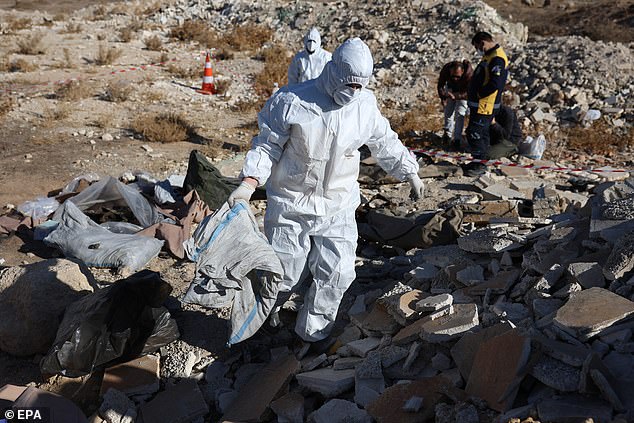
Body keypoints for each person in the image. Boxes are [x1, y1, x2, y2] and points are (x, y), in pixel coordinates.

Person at [228, 38, 424, 343]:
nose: (353, 92)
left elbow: (385, 141)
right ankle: (264, 320)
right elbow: (267, 145)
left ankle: (311, 338)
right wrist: (248, 183)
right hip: (292, 204)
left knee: (338, 273)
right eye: (349, 84)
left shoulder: (365, 106)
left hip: (339, 205)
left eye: (360, 86)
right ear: (332, 70)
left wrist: (408, 170)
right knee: (284, 275)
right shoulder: (293, 101)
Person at [464, 31, 509, 175]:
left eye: (478, 46)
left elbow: (496, 83)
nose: (478, 50)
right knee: (481, 133)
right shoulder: (489, 56)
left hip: (485, 105)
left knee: (475, 132)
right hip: (480, 104)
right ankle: (479, 161)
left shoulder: (497, 59)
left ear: (483, 42)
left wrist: (480, 93)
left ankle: (480, 165)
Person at [437, 59, 472, 150]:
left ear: (463, 72)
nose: (455, 79)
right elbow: (440, 85)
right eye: (453, 76)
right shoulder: (445, 69)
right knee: (448, 112)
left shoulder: (469, 74)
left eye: (457, 77)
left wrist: (456, 96)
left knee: (460, 115)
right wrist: (444, 96)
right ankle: (447, 136)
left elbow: (469, 92)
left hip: (463, 93)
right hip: (450, 89)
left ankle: (457, 139)